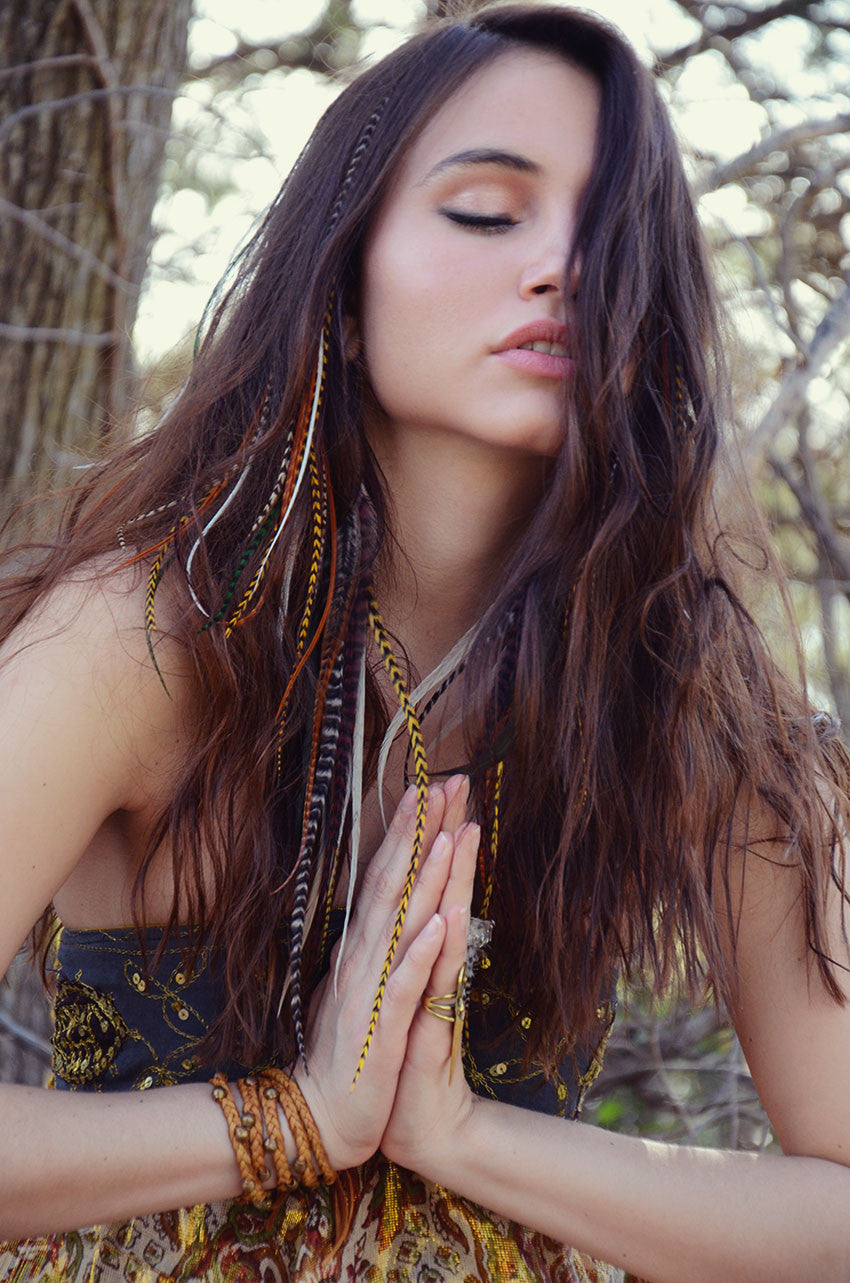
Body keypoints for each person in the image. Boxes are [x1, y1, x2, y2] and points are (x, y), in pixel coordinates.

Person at [0, 3, 848, 1281]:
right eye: (487, 212)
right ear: (340, 286)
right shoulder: (145, 641)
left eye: (610, 232)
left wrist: (461, 1135)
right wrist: (297, 1117)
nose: (564, 265)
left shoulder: (687, 702)